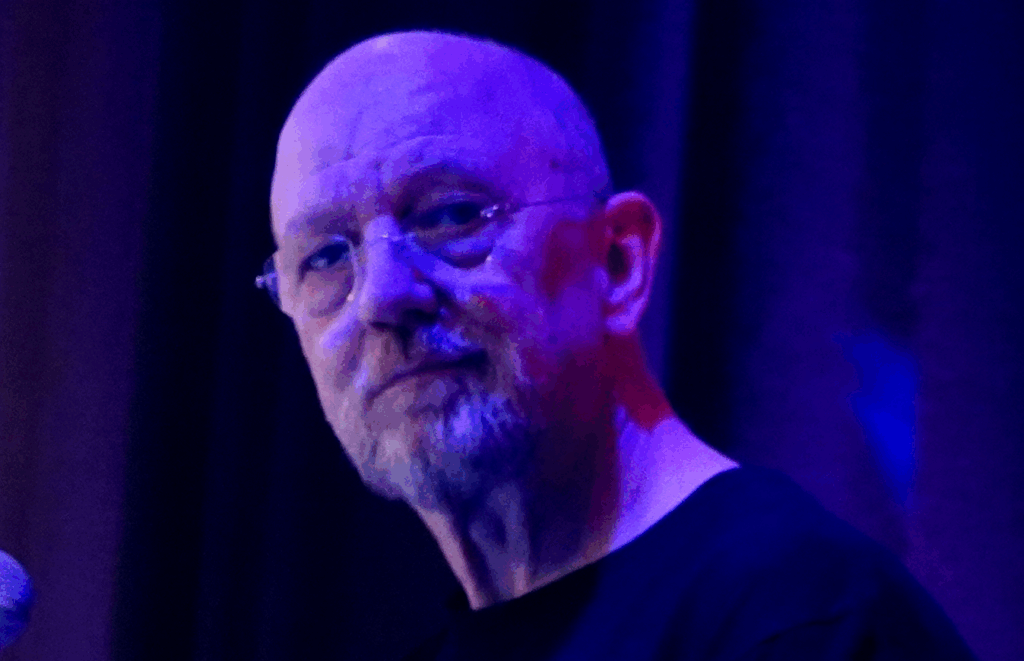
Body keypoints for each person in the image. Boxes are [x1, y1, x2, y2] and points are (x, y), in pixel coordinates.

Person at [257, 30, 977, 660]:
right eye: (323, 256)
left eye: (450, 215)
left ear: (619, 262)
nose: (384, 294)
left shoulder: (804, 623)